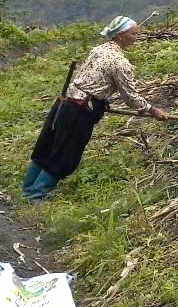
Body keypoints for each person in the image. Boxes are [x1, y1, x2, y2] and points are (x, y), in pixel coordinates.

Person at [23, 16, 169, 202]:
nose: (136, 37)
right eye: (134, 34)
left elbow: (92, 80)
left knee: (48, 145)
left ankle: (27, 190)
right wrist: (152, 110)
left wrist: (102, 99)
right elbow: (131, 97)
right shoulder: (119, 62)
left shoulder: (98, 50)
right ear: (121, 35)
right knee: (65, 153)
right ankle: (36, 196)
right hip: (79, 110)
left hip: (65, 101)